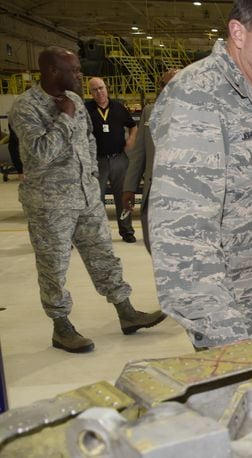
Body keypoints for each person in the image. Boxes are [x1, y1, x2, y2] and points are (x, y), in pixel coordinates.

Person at [149, 0, 252, 350]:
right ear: (238, 32)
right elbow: (182, 240)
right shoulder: (197, 97)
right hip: (230, 325)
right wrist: (228, 343)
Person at [9, 47, 166, 353]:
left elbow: (88, 140)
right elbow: (39, 154)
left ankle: (126, 311)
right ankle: (61, 327)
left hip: (86, 197)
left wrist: (92, 177)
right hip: (49, 204)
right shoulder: (26, 107)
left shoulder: (78, 102)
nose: (80, 76)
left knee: (104, 256)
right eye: (75, 70)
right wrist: (65, 118)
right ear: (54, 71)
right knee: (53, 266)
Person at [122, 69, 179, 253]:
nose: (168, 89)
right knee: (153, 248)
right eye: (164, 85)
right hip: (153, 196)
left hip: (181, 197)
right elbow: (139, 153)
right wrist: (129, 188)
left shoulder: (197, 113)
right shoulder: (149, 112)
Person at [86, 77, 138, 243]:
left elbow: (133, 126)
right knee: (96, 199)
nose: (99, 92)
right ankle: (99, 235)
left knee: (123, 196)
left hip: (119, 159)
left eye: (101, 88)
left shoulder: (118, 107)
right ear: (90, 92)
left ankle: (127, 230)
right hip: (97, 161)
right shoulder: (86, 109)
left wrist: (131, 140)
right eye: (94, 89)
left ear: (106, 88)